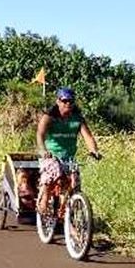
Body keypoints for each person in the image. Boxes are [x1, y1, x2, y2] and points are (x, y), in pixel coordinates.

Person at [36, 87, 100, 215]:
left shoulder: (77, 119)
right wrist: (43, 151)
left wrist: (94, 151)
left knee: (74, 183)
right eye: (64, 101)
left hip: (69, 157)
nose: (68, 104)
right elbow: (40, 134)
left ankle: (71, 220)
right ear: (58, 101)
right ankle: (44, 199)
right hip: (51, 155)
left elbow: (88, 136)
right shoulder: (49, 117)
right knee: (52, 172)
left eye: (71, 101)